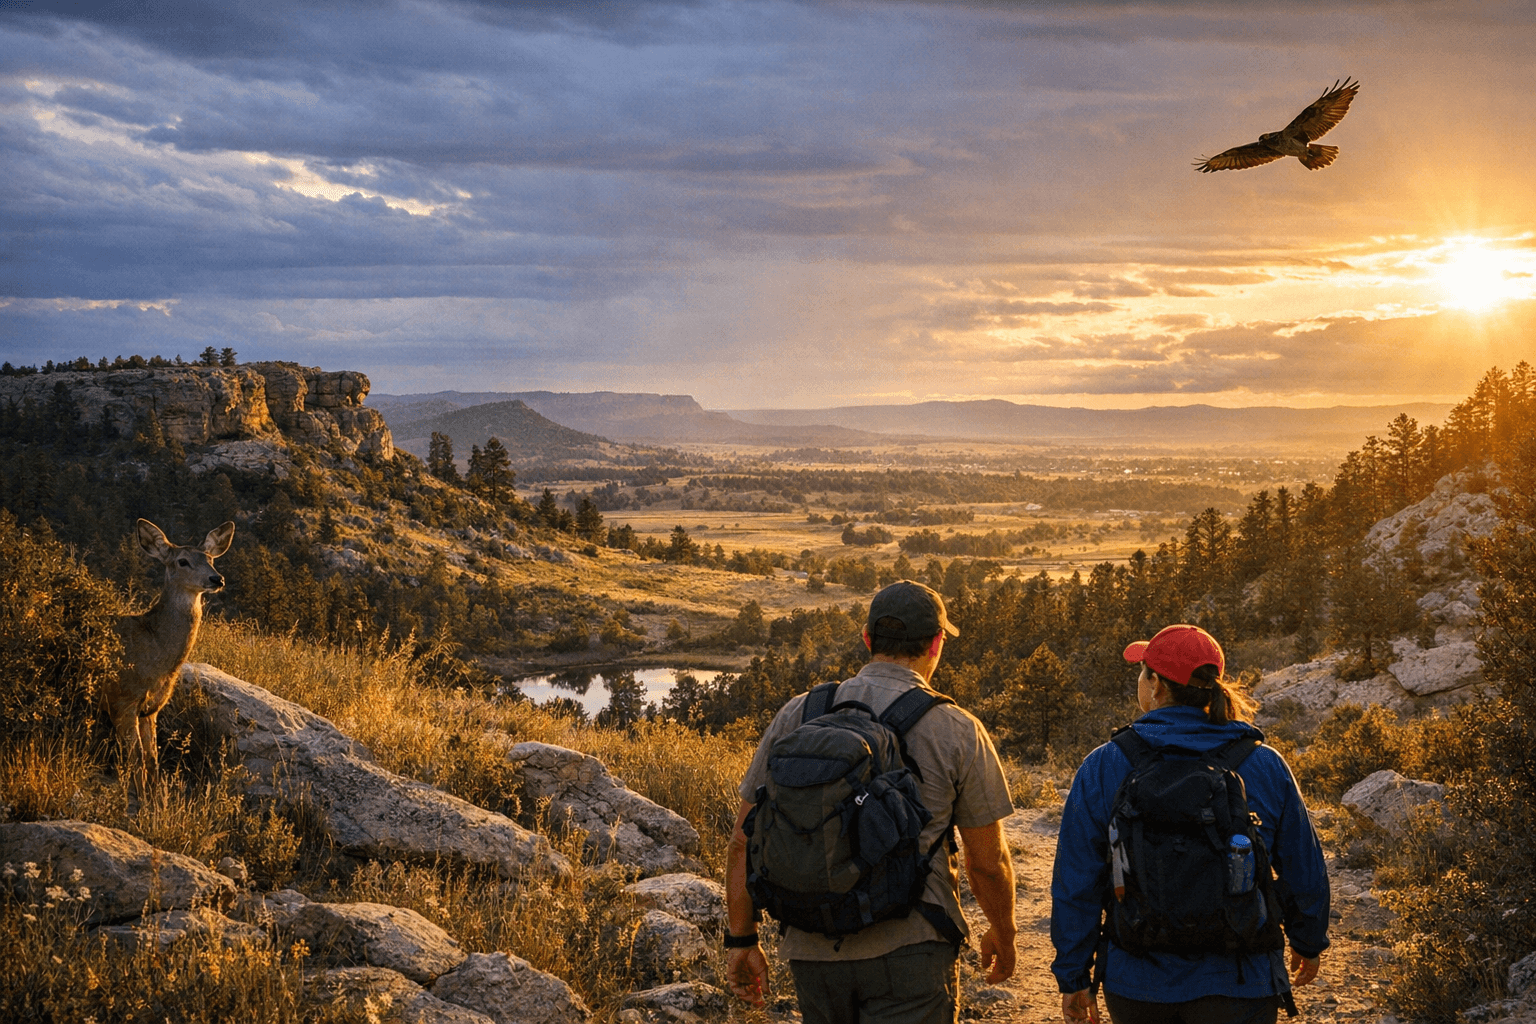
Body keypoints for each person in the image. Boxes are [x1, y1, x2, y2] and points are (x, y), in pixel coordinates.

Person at [725, 580, 1019, 1024]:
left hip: (812, 946)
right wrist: (1004, 933)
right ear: (936, 644)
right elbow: (987, 862)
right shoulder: (957, 729)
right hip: (913, 947)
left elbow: (742, 842)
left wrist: (742, 941)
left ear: (867, 639)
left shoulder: (799, 713)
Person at [1051, 624, 1331, 1024]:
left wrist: (1074, 975)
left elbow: (1076, 881)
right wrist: (1308, 939)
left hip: (1137, 981)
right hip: (1242, 978)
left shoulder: (1105, 764)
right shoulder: (1263, 763)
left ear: (1158, 685)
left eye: (1143, 669)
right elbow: (1303, 867)